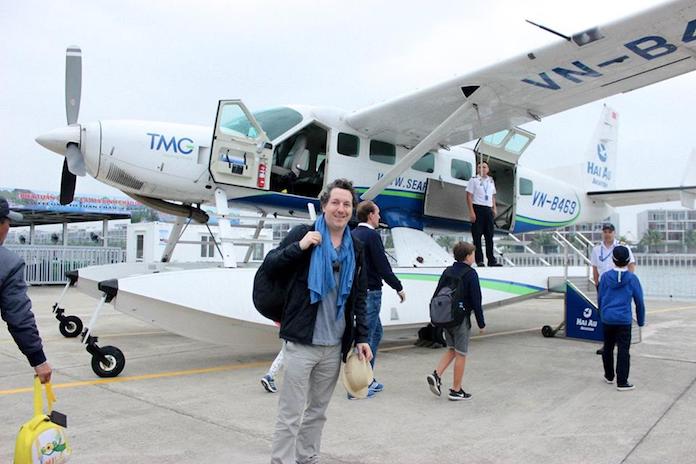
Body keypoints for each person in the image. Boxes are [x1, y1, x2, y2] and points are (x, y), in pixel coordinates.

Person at [264, 179, 371, 464]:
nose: (341, 209)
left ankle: (307, 458)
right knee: (290, 413)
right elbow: (271, 265)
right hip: (302, 342)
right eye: (335, 203)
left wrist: (362, 337)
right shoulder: (305, 234)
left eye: (347, 204)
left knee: (317, 412)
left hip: (333, 345)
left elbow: (359, 295)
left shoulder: (356, 247)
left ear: (352, 210)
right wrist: (299, 247)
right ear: (324, 205)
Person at [351, 200, 405, 397]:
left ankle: (367, 377)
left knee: (376, 332)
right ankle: (362, 383)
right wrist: (398, 287)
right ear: (370, 215)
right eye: (378, 214)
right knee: (367, 337)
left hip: (357, 293)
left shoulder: (353, 234)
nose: (380, 217)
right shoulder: (372, 236)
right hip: (371, 292)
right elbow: (383, 266)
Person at [0, 196, 52, 384]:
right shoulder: (8, 264)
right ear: (1, 225)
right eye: (8, 222)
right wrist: (38, 360)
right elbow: (18, 317)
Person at [426, 241, 485, 401]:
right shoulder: (470, 274)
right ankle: (456, 390)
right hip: (460, 319)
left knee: (452, 349)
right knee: (461, 353)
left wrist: (435, 319)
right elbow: (476, 300)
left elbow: (437, 294)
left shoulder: (448, 271)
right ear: (467, 257)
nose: (474, 256)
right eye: (473, 254)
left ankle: (436, 374)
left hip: (446, 318)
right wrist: (481, 323)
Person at [598, 246, 645, 391]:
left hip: (608, 318)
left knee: (608, 347)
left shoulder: (605, 277)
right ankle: (622, 382)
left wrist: (602, 314)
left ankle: (609, 375)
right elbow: (639, 302)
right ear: (628, 261)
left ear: (613, 259)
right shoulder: (632, 278)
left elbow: (600, 298)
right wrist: (641, 321)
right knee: (623, 350)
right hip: (624, 320)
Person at [466, 160, 501, 267]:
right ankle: (479, 260)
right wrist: (471, 211)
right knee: (477, 236)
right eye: (480, 167)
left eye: (484, 167)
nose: (482, 169)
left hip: (488, 209)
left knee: (489, 236)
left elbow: (492, 196)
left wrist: (494, 208)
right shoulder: (474, 180)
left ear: (488, 169)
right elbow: (469, 196)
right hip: (478, 208)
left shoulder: (490, 181)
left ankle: (491, 260)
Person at [591, 223, 636, 287]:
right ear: (602, 233)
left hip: (620, 283)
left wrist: (628, 282)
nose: (607, 234)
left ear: (614, 233)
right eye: (605, 232)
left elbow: (631, 265)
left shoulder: (623, 247)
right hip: (603, 284)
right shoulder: (596, 249)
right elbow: (595, 268)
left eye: (610, 232)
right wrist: (597, 284)